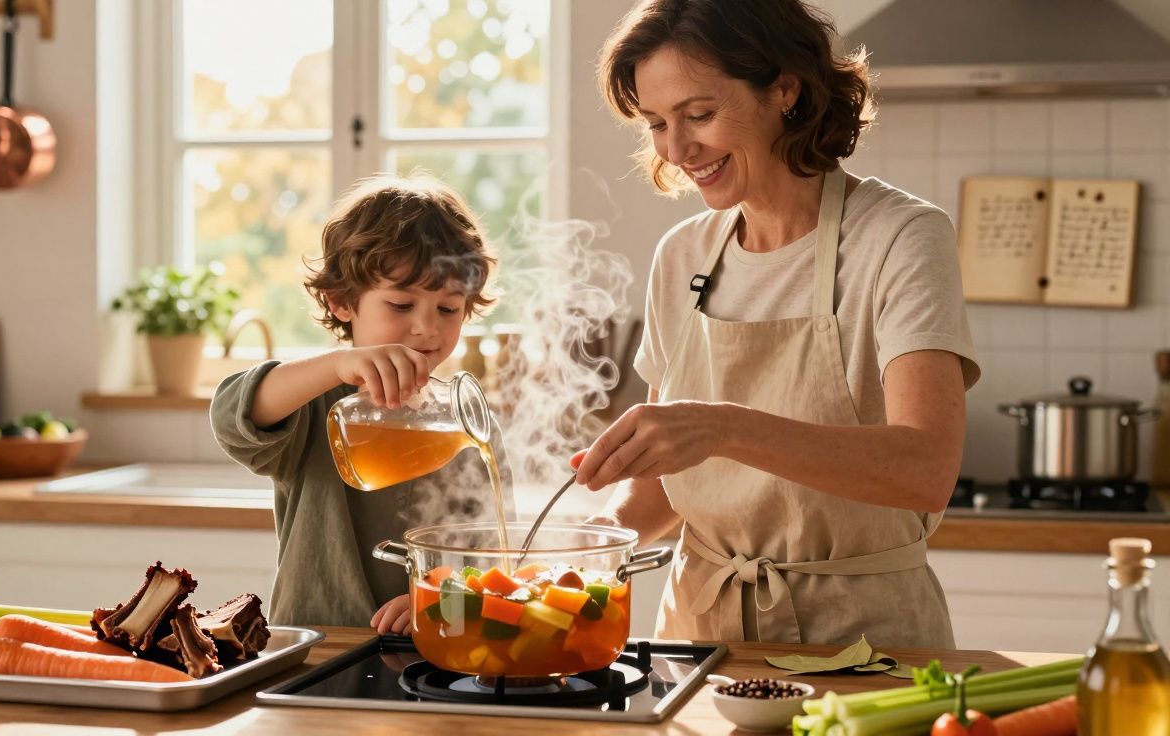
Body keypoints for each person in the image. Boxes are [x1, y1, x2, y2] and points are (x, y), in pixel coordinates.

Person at [574, 0, 980, 648]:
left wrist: (722, 428)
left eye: (698, 115)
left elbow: (925, 468)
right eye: (656, 124)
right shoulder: (682, 254)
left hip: (864, 642)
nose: (676, 150)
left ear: (784, 89)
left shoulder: (900, 237)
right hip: (701, 641)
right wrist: (590, 545)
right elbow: (661, 486)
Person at [211, 174, 508, 634]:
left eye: (448, 309)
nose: (427, 328)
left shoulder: (467, 421)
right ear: (342, 302)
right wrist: (337, 365)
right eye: (401, 305)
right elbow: (233, 416)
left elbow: (493, 554)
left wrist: (445, 594)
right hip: (318, 647)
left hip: (439, 644)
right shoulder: (313, 404)